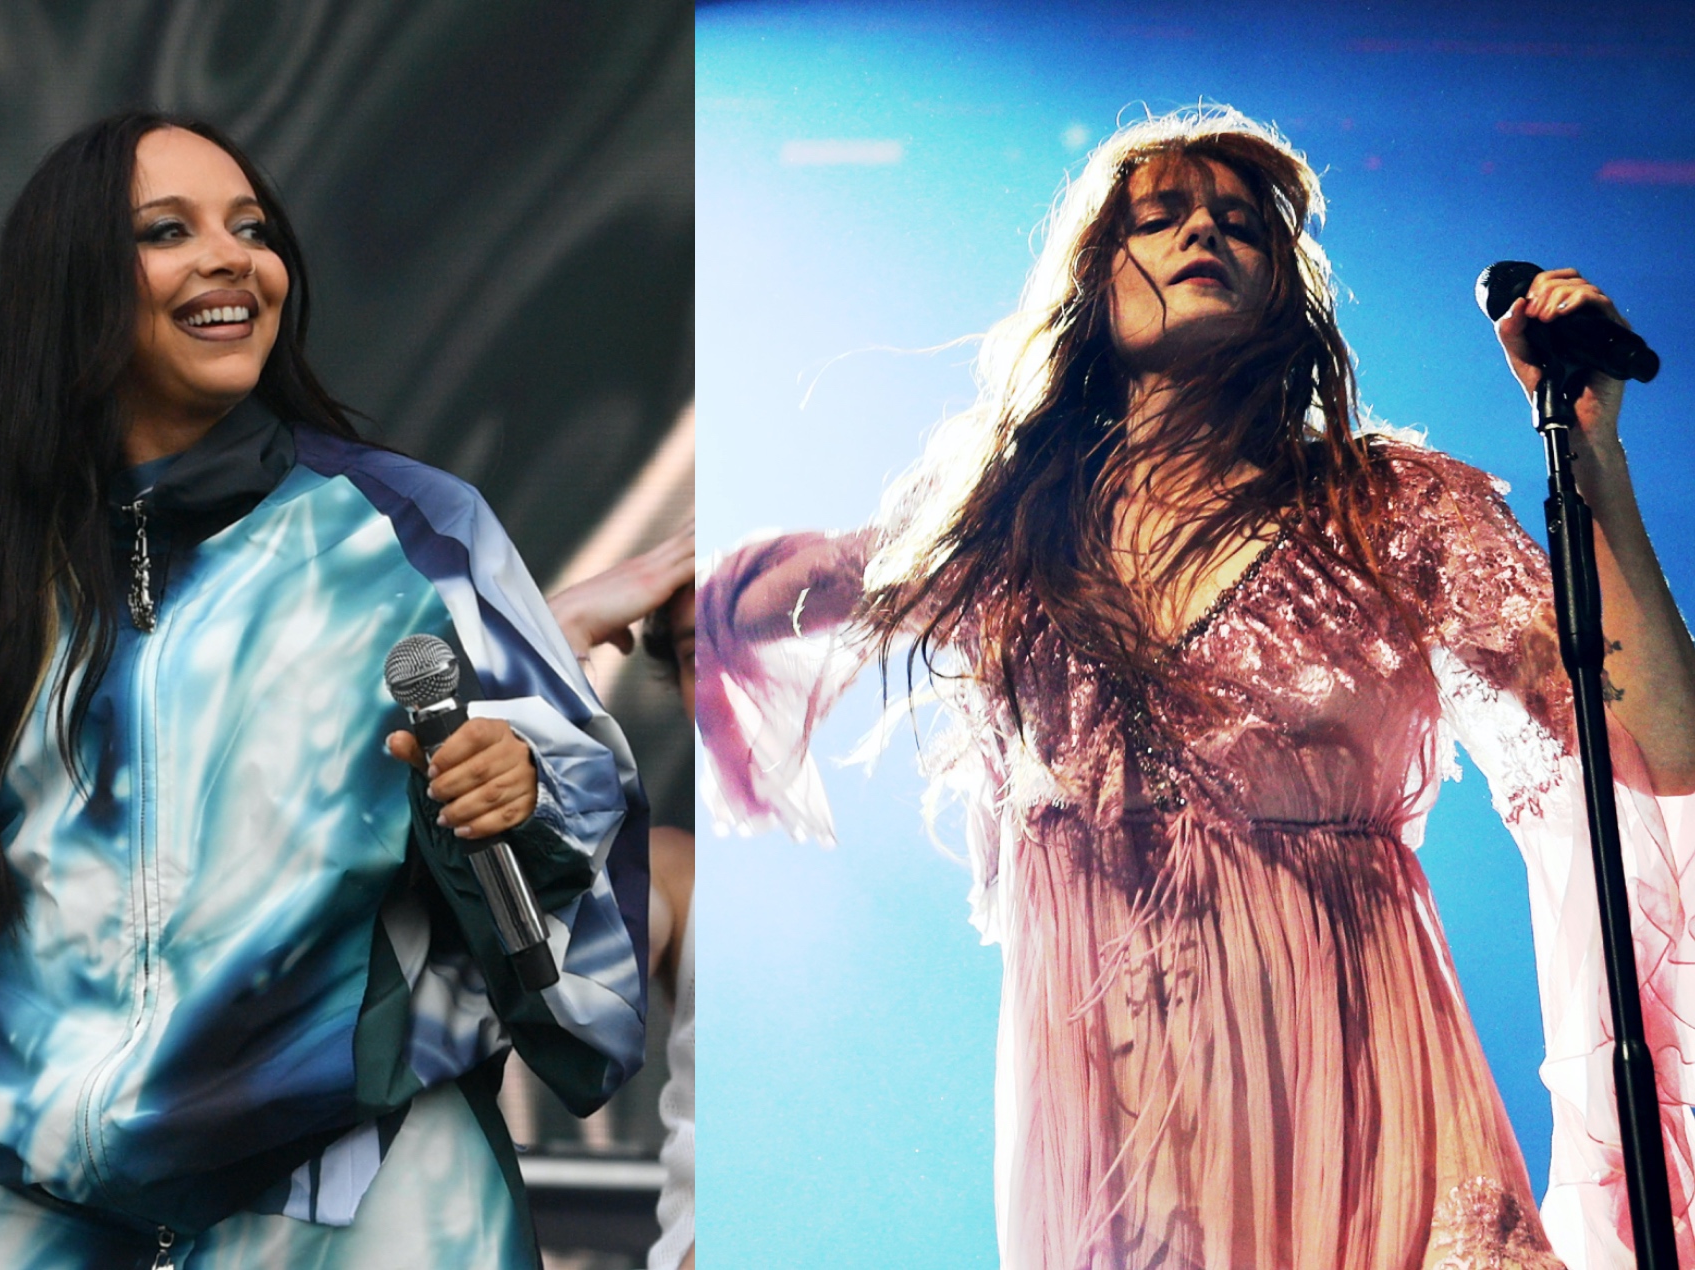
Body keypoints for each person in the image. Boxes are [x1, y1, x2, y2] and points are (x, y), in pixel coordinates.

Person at [699, 105, 1695, 1268]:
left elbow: (1662, 744)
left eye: (1237, 223)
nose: (1201, 234)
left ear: (1286, 291)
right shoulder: (1004, 537)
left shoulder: (1393, 510)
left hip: (1379, 1121)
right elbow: (759, 596)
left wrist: (1593, 454)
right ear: (1089, 287)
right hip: (1127, 1161)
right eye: (1157, 217)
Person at [0, 111, 649, 1269]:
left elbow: (584, 914)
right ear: (69, 285)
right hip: (33, 1218)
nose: (230, 257)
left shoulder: (412, 533)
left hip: (356, 1208)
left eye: (251, 228)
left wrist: (521, 796)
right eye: (167, 231)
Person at [548, 526, 696, 1270]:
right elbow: (571, 1008)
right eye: (703, 652)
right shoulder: (677, 872)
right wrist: (556, 635)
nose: (735, 677)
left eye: (759, 636)